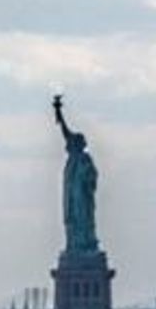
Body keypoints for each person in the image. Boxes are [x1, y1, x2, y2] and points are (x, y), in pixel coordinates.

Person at [53, 95, 99, 252]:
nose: (70, 144)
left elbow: (92, 179)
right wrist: (59, 113)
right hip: (72, 197)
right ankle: (74, 245)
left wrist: (87, 179)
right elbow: (65, 132)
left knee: (82, 220)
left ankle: (85, 244)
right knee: (72, 220)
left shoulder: (85, 160)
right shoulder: (73, 160)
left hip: (82, 199)